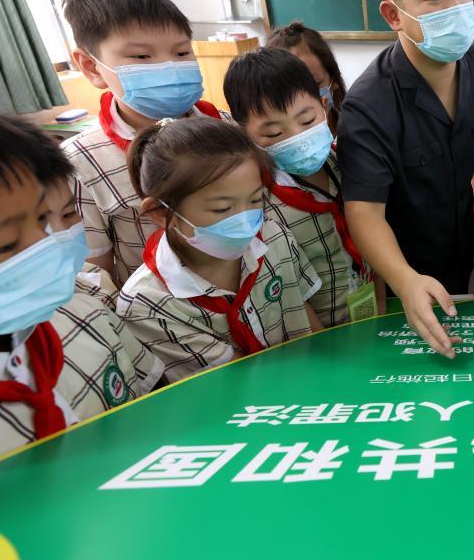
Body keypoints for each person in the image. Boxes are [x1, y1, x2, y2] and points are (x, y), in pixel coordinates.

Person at [337, 0, 474, 358]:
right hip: (403, 276)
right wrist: (405, 280)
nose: (456, 7)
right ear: (393, 14)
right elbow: (364, 212)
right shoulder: (368, 106)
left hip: (465, 254)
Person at [0, 110, 160, 468]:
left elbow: (154, 404)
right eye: (5, 243)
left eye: (42, 220)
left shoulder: (83, 308)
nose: (49, 247)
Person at [117, 118, 323, 382]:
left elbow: (305, 315)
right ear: (160, 212)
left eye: (255, 199)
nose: (246, 221)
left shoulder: (274, 237)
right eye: (222, 209)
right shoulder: (146, 302)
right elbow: (237, 380)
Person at [61, 0, 225, 286]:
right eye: (141, 57)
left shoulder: (227, 127)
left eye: (181, 53)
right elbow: (96, 276)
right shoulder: (79, 163)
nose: (169, 67)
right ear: (91, 67)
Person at [224, 47, 383, 327]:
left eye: (307, 120)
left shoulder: (348, 164)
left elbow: (376, 239)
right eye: (274, 132)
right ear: (242, 133)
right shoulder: (258, 202)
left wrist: (381, 309)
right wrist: (321, 340)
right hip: (318, 335)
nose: (298, 137)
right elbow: (288, 291)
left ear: (324, 105)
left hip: (371, 314)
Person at [267, 21, 348, 133]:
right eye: (287, 90)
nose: (302, 101)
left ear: (333, 79)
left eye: (314, 85)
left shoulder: (354, 128)